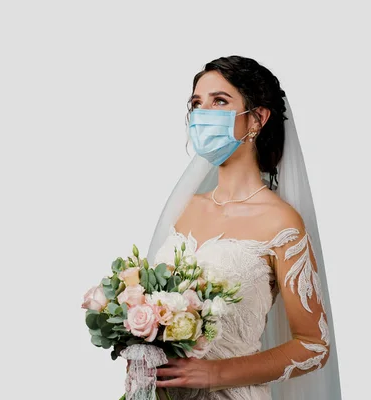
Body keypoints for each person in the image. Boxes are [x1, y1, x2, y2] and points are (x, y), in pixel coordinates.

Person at [144, 56, 341, 400]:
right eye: (196, 103)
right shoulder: (185, 208)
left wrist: (214, 373)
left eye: (219, 101)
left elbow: (314, 345)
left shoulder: (280, 222)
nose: (203, 113)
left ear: (258, 118)